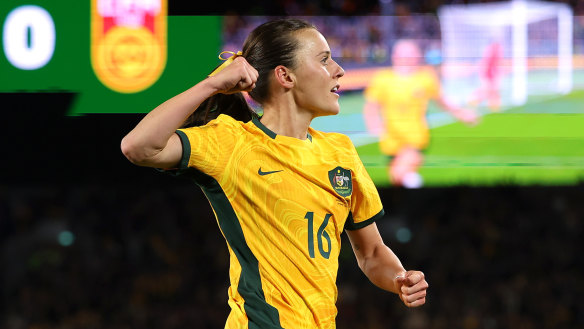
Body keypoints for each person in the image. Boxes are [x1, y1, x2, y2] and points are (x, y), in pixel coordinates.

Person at [121, 18, 428, 329]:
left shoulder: (341, 151)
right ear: (285, 75)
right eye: (324, 59)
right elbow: (138, 146)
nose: (339, 69)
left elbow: (372, 252)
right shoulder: (231, 142)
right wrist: (211, 84)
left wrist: (399, 277)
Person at [363, 39, 478, 188]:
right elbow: (371, 106)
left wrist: (461, 114)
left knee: (401, 172)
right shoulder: (383, 78)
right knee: (397, 179)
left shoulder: (426, 77)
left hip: (415, 138)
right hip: (390, 140)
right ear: (395, 56)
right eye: (404, 53)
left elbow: (442, 100)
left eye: (412, 53)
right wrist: (374, 126)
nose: (409, 57)